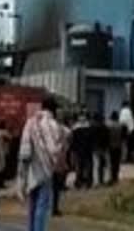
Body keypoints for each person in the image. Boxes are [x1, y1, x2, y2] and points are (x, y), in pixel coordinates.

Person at [18, 97, 63, 231]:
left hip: (32, 168)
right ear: (53, 109)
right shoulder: (53, 125)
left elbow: (24, 147)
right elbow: (55, 149)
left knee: (32, 204)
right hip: (45, 169)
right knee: (42, 205)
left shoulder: (30, 122)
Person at [52, 115, 72, 217]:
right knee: (56, 187)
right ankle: (54, 208)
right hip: (58, 161)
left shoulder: (48, 129)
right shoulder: (65, 130)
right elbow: (68, 140)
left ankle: (50, 208)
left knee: (50, 187)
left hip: (48, 162)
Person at [70, 113, 93, 189]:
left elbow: (73, 142)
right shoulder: (89, 129)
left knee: (79, 167)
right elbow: (91, 142)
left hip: (79, 151)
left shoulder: (75, 129)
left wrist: (73, 151)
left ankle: (78, 183)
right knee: (88, 167)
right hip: (87, 151)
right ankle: (88, 183)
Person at [91, 113, 109, 186]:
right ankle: (102, 180)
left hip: (95, 148)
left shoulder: (92, 128)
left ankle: (97, 181)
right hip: (103, 148)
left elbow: (91, 139)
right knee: (103, 165)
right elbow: (107, 139)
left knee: (96, 165)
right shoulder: (105, 128)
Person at [107, 111, 124, 185]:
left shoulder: (109, 126)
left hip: (111, 146)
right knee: (117, 163)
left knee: (111, 163)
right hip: (119, 146)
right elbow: (123, 137)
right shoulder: (121, 126)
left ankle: (112, 177)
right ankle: (115, 177)